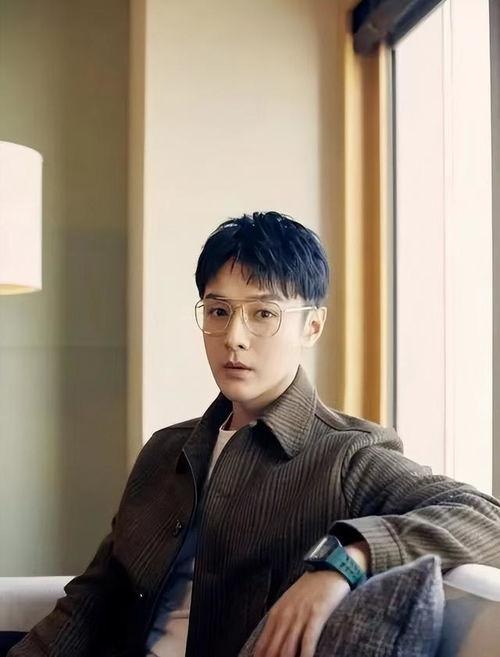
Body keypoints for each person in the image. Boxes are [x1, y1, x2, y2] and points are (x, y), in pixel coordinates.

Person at [9, 211, 500, 657]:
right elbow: (97, 595)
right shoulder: (164, 450)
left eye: (263, 314)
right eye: (218, 311)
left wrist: (344, 562)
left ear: (312, 327)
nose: (234, 338)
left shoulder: (348, 455)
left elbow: (487, 519)